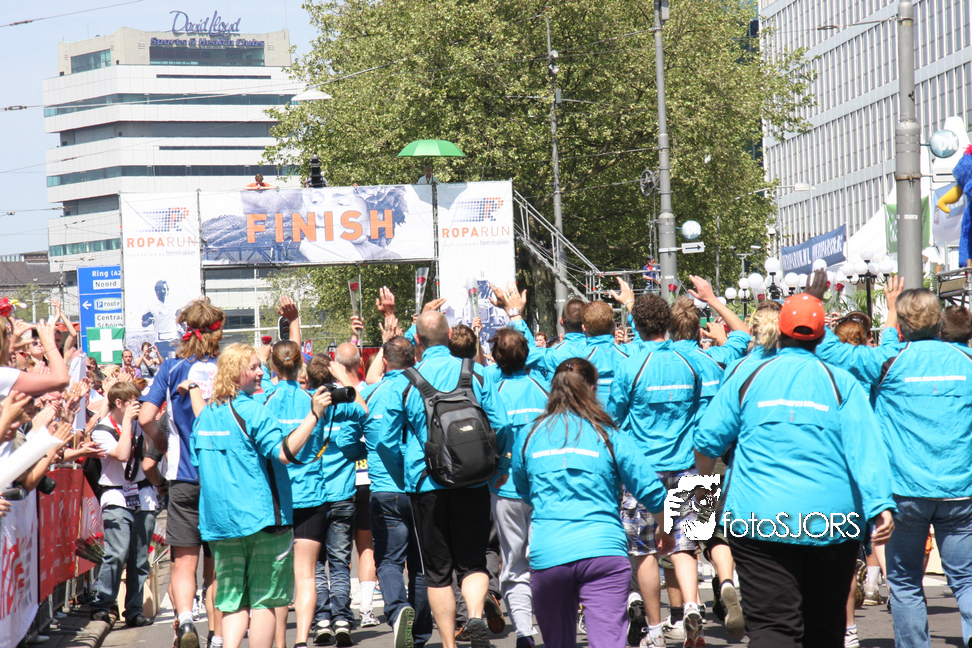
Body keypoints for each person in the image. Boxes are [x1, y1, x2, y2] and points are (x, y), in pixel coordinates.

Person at [696, 293, 895, 648]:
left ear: (780, 332)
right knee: (825, 629)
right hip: (832, 523)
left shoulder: (747, 375)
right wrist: (881, 505)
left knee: (773, 628)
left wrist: (700, 496)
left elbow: (706, 441)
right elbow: (867, 448)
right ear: (822, 337)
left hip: (760, 520)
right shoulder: (840, 382)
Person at [815, 284, 972, 648]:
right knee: (966, 579)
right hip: (960, 487)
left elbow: (827, 348)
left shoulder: (889, 361)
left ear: (901, 325)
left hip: (904, 490)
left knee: (905, 582)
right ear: (939, 321)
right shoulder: (966, 361)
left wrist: (814, 299)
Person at [512, 358, 672, 648]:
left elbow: (524, 490)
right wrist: (666, 529)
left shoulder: (529, 435)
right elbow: (650, 488)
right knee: (608, 641)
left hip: (550, 553)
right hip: (603, 552)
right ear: (593, 389)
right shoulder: (608, 434)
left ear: (552, 390)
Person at [191, 343, 331, 648]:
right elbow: (283, 453)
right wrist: (314, 415)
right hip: (261, 519)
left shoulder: (205, 416)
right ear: (234, 372)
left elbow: (197, 463)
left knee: (232, 600)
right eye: (253, 367)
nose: (260, 372)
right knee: (265, 600)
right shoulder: (253, 411)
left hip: (221, 524)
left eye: (260, 366)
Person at [387, 310, 510, 648]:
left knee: (437, 573)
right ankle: (475, 614)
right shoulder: (476, 372)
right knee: (473, 562)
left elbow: (385, 440)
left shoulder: (405, 381)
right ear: (450, 336)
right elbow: (501, 425)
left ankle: (448, 643)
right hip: (473, 481)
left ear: (417, 340)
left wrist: (404, 474)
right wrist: (496, 467)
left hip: (426, 484)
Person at [607, 293, 704, 648]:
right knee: (687, 547)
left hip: (643, 473)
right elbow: (701, 411)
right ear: (667, 323)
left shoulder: (630, 365)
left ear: (636, 325)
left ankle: (654, 629)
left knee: (643, 552)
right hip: (689, 465)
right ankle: (692, 606)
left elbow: (612, 418)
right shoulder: (692, 361)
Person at [139, 298, 224, 648]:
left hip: (183, 478)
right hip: (221, 479)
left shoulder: (172, 369)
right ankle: (218, 637)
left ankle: (186, 620)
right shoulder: (226, 367)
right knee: (216, 568)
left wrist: (163, 441)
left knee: (183, 563)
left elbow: (145, 418)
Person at [360, 336, 432, 648]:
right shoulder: (423, 388)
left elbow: (352, 440)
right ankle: (419, 635)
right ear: (414, 359)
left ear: (385, 362)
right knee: (420, 565)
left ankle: (398, 609)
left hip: (385, 489)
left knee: (389, 561)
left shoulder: (369, 393)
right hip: (419, 488)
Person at [487, 328, 548, 648]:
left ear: (496, 358)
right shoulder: (544, 388)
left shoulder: (491, 391)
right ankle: (551, 628)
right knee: (545, 561)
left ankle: (525, 632)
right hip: (543, 488)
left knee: (514, 564)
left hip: (505, 487)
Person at [88, 381, 158, 628]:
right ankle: (103, 604)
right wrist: (128, 423)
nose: (137, 408)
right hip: (116, 497)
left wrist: (146, 426)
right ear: (119, 403)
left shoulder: (141, 425)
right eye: (132, 403)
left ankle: (134, 610)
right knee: (117, 553)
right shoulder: (102, 430)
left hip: (143, 495)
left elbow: (151, 453)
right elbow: (122, 454)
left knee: (140, 558)